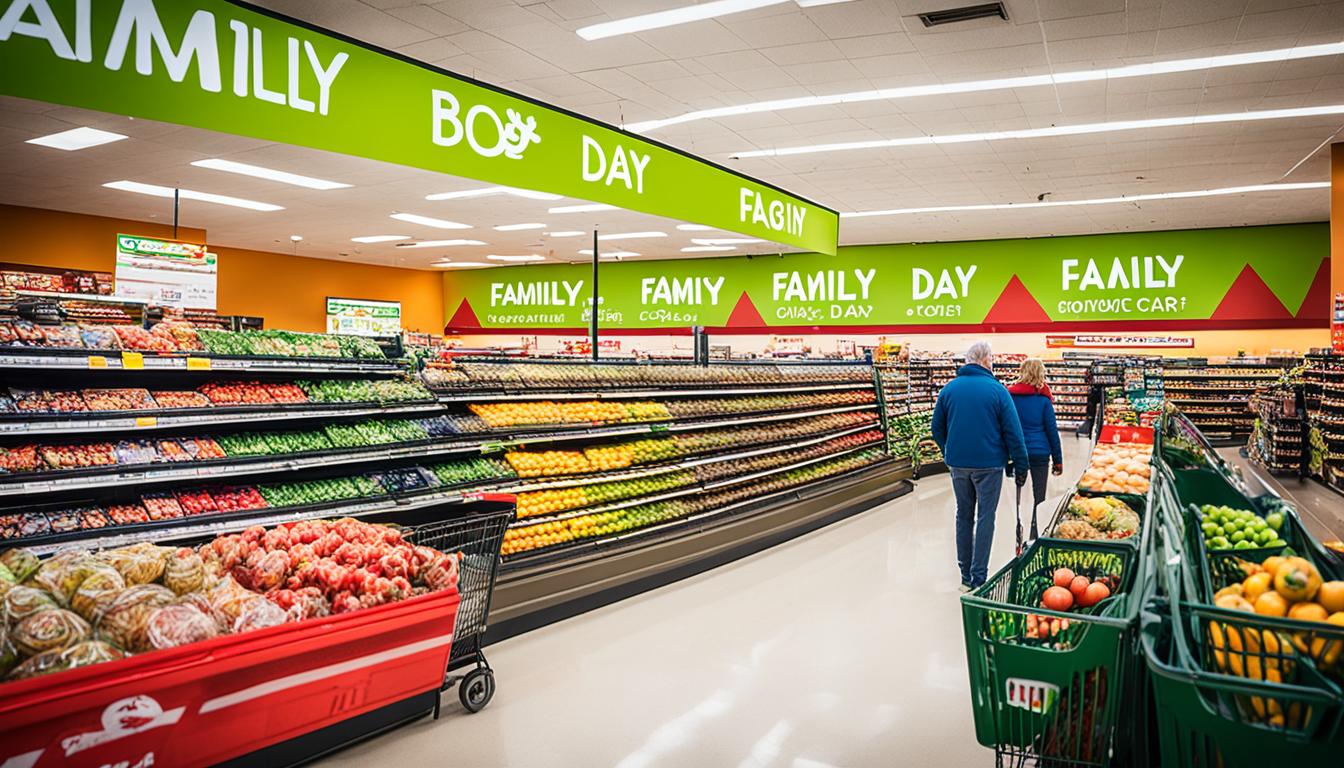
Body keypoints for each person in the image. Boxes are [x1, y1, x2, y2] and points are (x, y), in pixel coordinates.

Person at [931, 341, 1029, 592]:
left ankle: (965, 575)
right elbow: (1013, 433)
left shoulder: (949, 390)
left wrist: (948, 452)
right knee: (986, 517)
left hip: (959, 465)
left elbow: (936, 428)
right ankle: (978, 577)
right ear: (986, 361)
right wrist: (1021, 464)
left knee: (963, 516)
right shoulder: (997, 391)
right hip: (989, 465)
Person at [1007, 359, 1064, 537]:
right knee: (1039, 498)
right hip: (1040, 453)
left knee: (1016, 496)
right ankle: (1035, 534)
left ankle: (1018, 530)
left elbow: (1006, 427)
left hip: (1018, 453)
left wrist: (1006, 457)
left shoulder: (1010, 397)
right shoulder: (1044, 400)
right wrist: (1058, 460)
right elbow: (1052, 432)